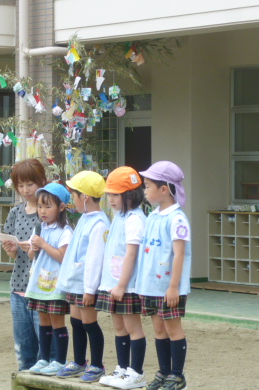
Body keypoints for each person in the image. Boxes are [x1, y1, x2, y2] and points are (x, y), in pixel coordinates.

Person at [136, 161, 191, 390]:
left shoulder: (177, 219)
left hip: (169, 287)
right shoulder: (152, 216)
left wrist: (174, 287)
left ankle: (177, 375)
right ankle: (164, 372)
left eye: (148, 186)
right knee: (159, 330)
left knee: (172, 329)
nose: (145, 190)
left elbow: (179, 255)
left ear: (164, 189)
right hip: (150, 286)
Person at [55, 171, 110, 382]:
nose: (73, 200)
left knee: (89, 323)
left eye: (74, 195)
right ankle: (79, 362)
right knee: (76, 322)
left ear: (85, 196)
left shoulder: (99, 224)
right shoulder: (85, 218)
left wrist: (89, 289)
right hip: (76, 282)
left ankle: (97, 365)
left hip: (87, 285)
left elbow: (95, 259)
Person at [96, 166, 148, 389]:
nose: (111, 199)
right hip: (113, 283)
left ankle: (136, 373)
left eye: (115, 195)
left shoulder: (135, 219)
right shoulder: (119, 216)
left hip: (127, 285)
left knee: (133, 328)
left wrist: (122, 285)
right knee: (119, 327)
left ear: (130, 195)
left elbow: (131, 254)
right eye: (109, 194)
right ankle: (122, 369)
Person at [1, 159, 48, 371]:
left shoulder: (48, 213)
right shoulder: (15, 212)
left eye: (30, 184)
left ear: (42, 182)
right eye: (20, 185)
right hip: (18, 285)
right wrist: (10, 249)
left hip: (43, 286)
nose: (25, 190)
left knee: (46, 345)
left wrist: (36, 247)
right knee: (23, 345)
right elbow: (13, 256)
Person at [25, 182, 73, 377]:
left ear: (61, 207)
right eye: (39, 206)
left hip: (56, 284)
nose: (42, 211)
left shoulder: (65, 230)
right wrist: (33, 248)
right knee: (43, 320)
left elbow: (62, 256)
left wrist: (43, 244)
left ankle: (59, 361)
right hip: (39, 282)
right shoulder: (39, 228)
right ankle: (44, 359)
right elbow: (31, 256)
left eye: (47, 206)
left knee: (57, 321)